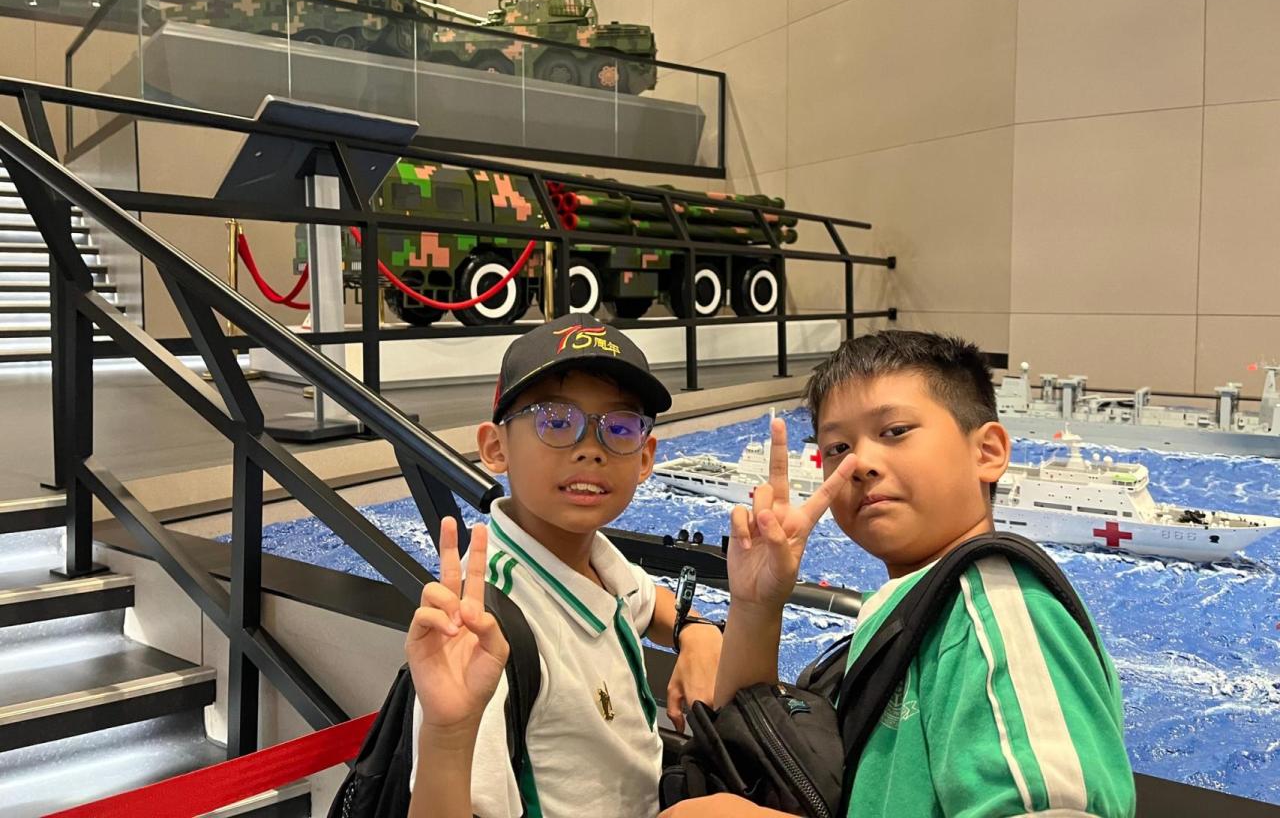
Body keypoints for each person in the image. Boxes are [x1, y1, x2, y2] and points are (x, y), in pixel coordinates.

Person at [662, 330, 1136, 817]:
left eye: (895, 431)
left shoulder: (1000, 615)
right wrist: (757, 606)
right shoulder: (923, 608)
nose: (861, 463)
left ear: (987, 452)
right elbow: (748, 752)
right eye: (838, 447)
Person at [405, 313, 723, 818]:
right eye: (556, 421)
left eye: (620, 427)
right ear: (495, 447)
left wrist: (697, 631)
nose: (591, 450)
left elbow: (648, 601)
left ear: (645, 458)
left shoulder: (592, 557)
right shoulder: (483, 626)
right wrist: (448, 734)